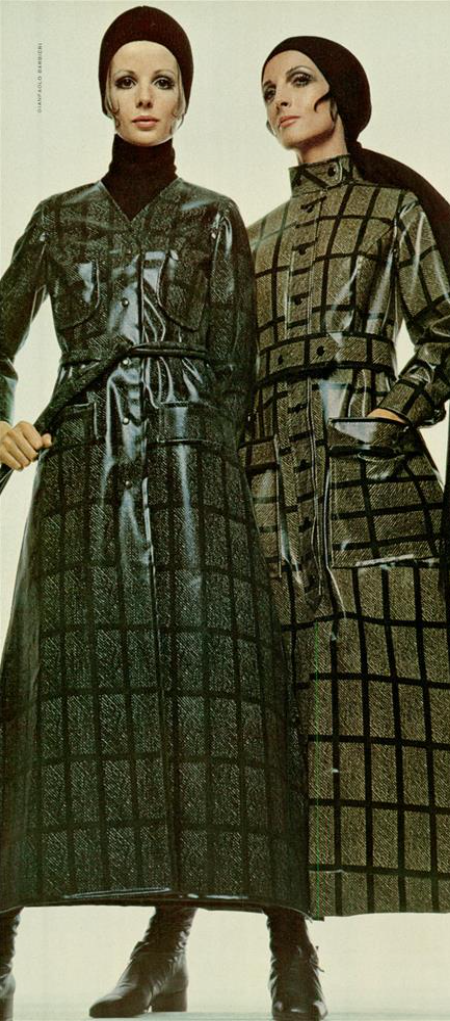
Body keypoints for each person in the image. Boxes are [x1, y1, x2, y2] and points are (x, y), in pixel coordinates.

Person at [105, 34, 450, 1021]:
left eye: (298, 82)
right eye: (266, 90)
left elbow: (444, 333)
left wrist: (395, 411)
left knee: (443, 703)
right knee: (261, 718)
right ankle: (288, 961)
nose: (279, 100)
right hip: (266, 487)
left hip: (377, 483)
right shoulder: (251, 237)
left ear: (341, 96)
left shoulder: (396, 212)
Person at [0, 10, 311, 1021]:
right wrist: (2, 426)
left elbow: (237, 368)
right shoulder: (56, 219)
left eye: (163, 80)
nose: (144, 95)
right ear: (102, 95)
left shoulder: (214, 217)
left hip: (191, 478)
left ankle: (232, 949)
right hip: (81, 476)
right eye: (126, 79)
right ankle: (1, 951)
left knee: (214, 702)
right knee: (55, 700)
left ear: (184, 100)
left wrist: (206, 462)